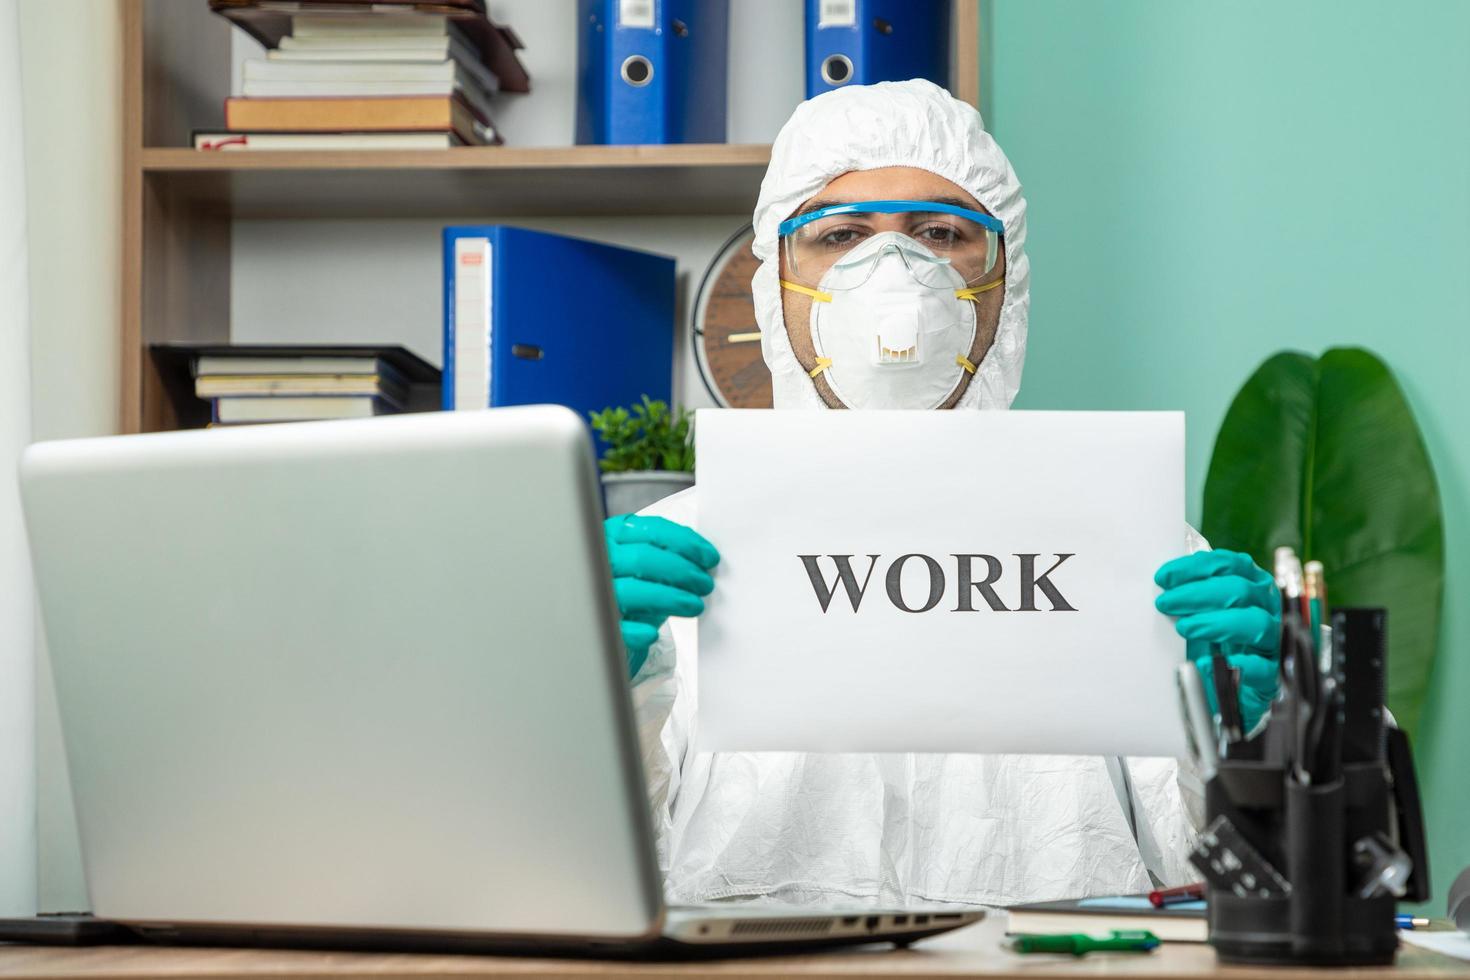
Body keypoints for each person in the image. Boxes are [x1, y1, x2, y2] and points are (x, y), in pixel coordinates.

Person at [605, 80, 1280, 908]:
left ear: (1005, 281)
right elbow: (577, 876)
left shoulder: (1132, 545)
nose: (893, 274)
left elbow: (1227, 880)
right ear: (776, 284)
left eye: (940, 232)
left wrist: (1256, 740)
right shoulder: (674, 560)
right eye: (841, 234)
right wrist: (587, 695)